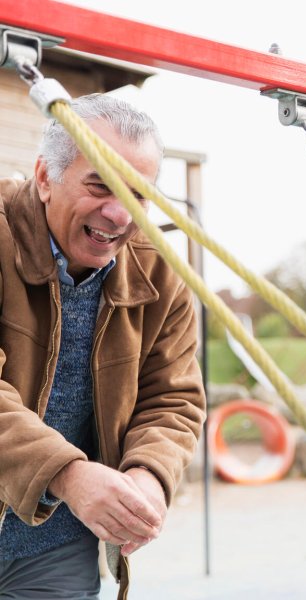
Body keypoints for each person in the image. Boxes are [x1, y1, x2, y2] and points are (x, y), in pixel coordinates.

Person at [0, 94, 206, 600]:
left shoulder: (163, 273)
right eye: (99, 186)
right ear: (45, 177)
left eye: (138, 195)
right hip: (67, 498)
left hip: (54, 549)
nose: (118, 214)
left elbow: (174, 400)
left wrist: (147, 478)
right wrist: (69, 476)